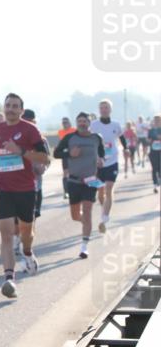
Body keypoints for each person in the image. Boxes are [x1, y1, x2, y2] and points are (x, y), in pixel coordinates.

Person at [0, 93, 50, 298]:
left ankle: (27, 252)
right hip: (2, 188)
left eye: (15, 106)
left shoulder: (30, 130)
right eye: (8, 105)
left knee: (25, 232)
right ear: (4, 108)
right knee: (7, 234)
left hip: (25, 189)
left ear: (21, 110)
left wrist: (20, 151)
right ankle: (9, 279)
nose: (10, 109)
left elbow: (44, 158)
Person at [53, 112, 105, 258]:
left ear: (89, 123)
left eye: (84, 121)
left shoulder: (97, 138)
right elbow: (56, 153)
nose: (82, 123)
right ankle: (85, 223)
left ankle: (84, 247)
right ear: (76, 123)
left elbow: (101, 153)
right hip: (74, 181)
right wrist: (70, 153)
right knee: (75, 216)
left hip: (90, 181)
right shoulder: (69, 138)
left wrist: (101, 160)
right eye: (80, 121)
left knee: (87, 211)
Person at [89, 100, 127, 232]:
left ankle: (104, 218)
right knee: (100, 191)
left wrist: (126, 148)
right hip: (98, 162)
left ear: (110, 109)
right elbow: (88, 139)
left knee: (109, 189)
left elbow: (122, 138)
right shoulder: (93, 125)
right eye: (102, 108)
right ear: (99, 110)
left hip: (112, 161)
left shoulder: (116, 124)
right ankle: (104, 209)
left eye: (106, 107)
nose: (104, 110)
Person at [58, 117, 76, 200]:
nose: (65, 124)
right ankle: (66, 191)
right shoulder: (60, 132)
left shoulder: (74, 130)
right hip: (65, 154)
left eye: (66, 122)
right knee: (65, 172)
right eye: (63, 123)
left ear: (69, 123)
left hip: (74, 153)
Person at [148, 114, 161, 194]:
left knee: (159, 167)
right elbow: (148, 140)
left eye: (158, 120)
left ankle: (159, 179)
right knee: (154, 168)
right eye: (155, 120)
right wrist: (151, 140)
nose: (156, 122)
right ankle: (155, 185)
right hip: (153, 151)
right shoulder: (151, 130)